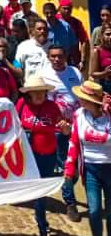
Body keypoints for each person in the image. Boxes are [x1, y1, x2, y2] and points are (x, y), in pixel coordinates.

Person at [17, 74, 69, 236]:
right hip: (28, 157)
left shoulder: (52, 107)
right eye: (35, 92)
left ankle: (42, 231)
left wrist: (65, 128)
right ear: (28, 94)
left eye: (42, 91)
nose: (39, 94)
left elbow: (64, 130)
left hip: (47, 155)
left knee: (41, 195)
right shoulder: (21, 105)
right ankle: (42, 226)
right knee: (35, 193)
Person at [64, 80, 111, 236]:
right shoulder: (79, 115)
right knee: (93, 210)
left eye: (84, 99)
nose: (80, 101)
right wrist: (69, 168)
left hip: (110, 167)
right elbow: (74, 142)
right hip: (90, 169)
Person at [41, 43, 82, 221]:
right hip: (58, 128)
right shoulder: (45, 75)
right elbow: (44, 103)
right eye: (53, 56)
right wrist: (59, 122)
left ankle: (65, 184)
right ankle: (70, 203)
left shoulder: (75, 72)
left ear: (65, 57)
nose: (56, 59)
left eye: (60, 56)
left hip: (78, 126)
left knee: (76, 169)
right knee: (67, 164)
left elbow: (81, 96)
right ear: (49, 58)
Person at [11, 19, 52, 83]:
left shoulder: (54, 48)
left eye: (45, 29)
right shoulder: (23, 46)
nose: (42, 31)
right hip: (30, 88)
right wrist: (18, 69)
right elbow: (16, 63)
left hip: (50, 88)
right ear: (33, 31)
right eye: (39, 29)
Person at [58, 0, 89, 71]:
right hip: (57, 57)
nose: (67, 11)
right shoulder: (54, 20)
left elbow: (84, 40)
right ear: (59, 8)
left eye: (69, 9)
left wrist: (82, 60)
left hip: (72, 58)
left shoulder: (76, 23)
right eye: (64, 8)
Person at [89, 26, 111, 95]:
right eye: (108, 34)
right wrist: (105, 73)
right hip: (106, 87)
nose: (110, 37)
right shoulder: (97, 51)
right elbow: (92, 74)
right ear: (102, 36)